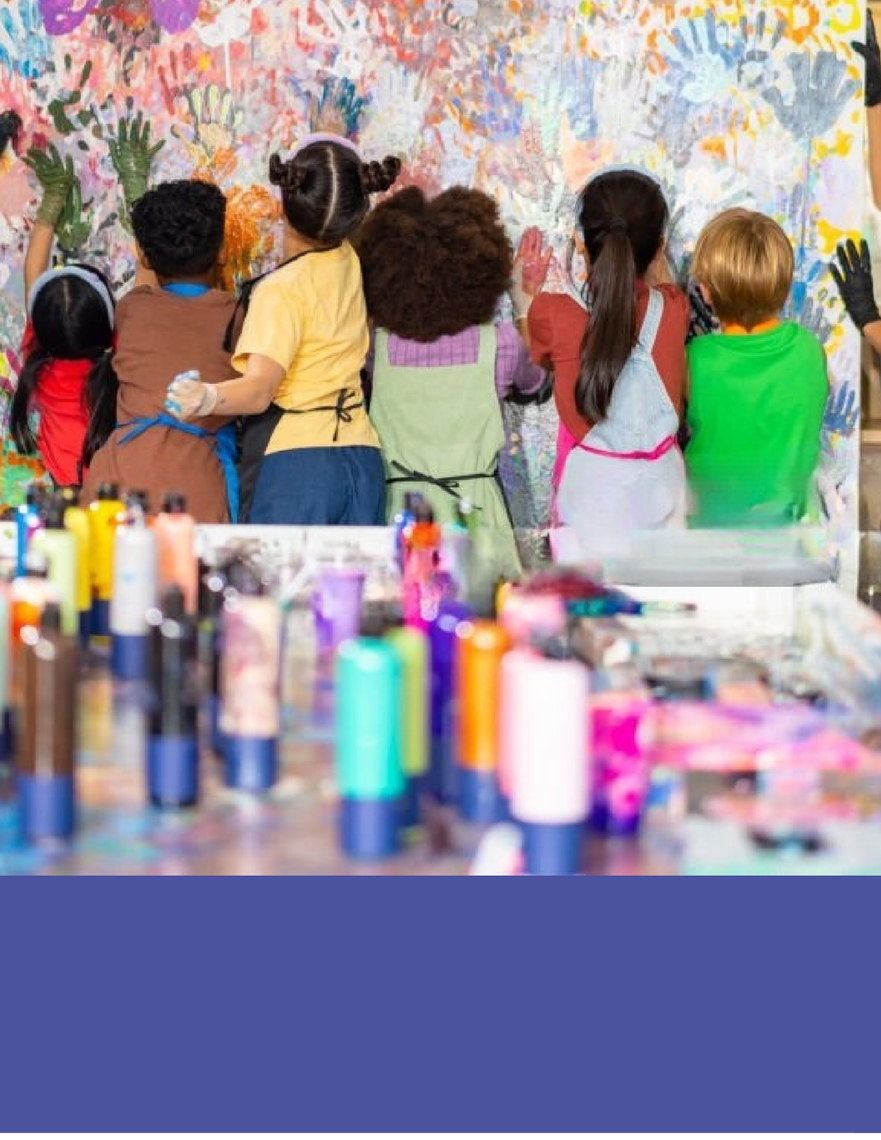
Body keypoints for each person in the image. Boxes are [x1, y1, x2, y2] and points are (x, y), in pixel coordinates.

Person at [164, 135, 401, 524]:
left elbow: (259, 391)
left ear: (282, 204)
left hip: (300, 468)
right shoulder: (349, 262)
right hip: (361, 458)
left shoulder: (280, 289)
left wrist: (206, 397)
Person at [353, 185, 549, 578]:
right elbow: (537, 381)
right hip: (476, 518)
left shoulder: (375, 346)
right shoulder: (501, 344)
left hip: (403, 517)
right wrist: (522, 304)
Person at [526, 168, 689, 556]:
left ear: (581, 243)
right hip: (663, 501)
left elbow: (539, 355)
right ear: (660, 246)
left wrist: (524, 296)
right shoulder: (674, 308)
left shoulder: (550, 313)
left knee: (586, 595)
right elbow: (656, 285)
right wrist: (652, 253)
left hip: (588, 510)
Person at [83, 179, 238, 522]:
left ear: (143, 255)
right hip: (196, 481)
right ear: (222, 252)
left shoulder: (131, 309)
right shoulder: (237, 315)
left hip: (118, 477)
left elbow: (151, 294)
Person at [687, 209, 828, 528]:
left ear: (705, 291)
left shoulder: (694, 360)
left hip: (712, 531)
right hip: (788, 533)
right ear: (785, 285)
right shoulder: (810, 349)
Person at [10, 145, 117, 488]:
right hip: (108, 484)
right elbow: (148, 287)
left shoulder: (39, 363)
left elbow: (32, 271)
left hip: (66, 487)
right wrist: (136, 191)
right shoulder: (117, 359)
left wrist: (53, 199)